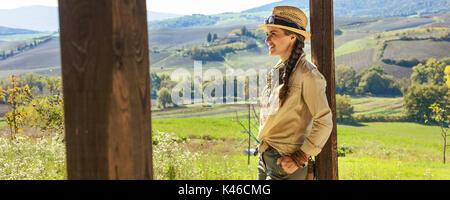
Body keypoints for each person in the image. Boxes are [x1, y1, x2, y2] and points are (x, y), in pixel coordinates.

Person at [257, 6, 333, 180]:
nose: (267, 40)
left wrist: (300, 157)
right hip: (266, 160)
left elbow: (324, 120)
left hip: (286, 163)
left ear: (292, 37)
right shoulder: (277, 71)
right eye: (267, 34)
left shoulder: (308, 75)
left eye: (273, 33)